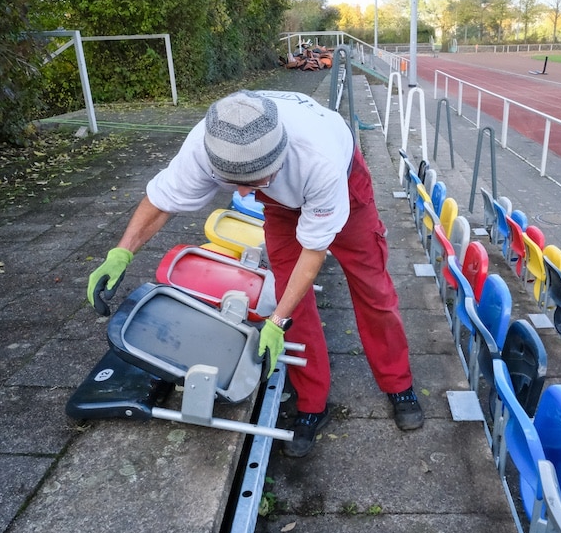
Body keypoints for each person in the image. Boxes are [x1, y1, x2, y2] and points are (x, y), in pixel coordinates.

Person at [87, 89, 423, 457]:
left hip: (345, 186)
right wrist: (121, 252)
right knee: (291, 302)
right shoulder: (207, 143)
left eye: (255, 182)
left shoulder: (317, 160)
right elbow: (161, 200)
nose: (245, 195)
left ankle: (398, 383)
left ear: (279, 158)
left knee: (373, 290)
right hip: (281, 203)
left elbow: (313, 255)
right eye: (234, 183)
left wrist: (275, 323)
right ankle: (312, 404)